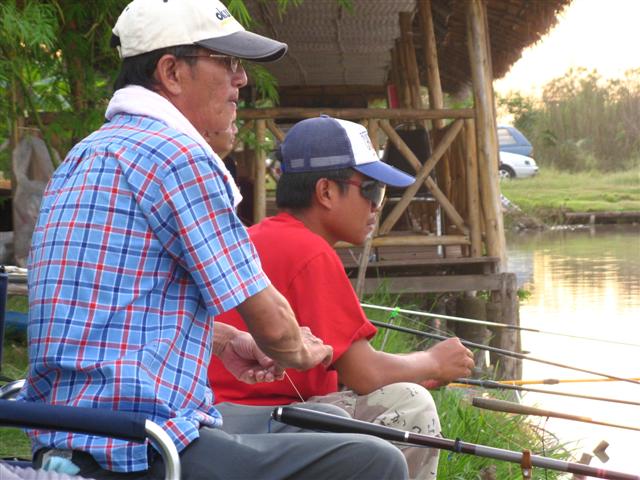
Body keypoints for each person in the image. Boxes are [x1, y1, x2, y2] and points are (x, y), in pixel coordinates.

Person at [19, 1, 408, 479]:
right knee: (374, 458)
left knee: (325, 421)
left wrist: (223, 341)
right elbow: (272, 321)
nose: (241, 80)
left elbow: (110, 315)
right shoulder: (178, 155)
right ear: (172, 72)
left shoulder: (87, 153)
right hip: (140, 448)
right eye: (227, 63)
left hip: (66, 435)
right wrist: (308, 350)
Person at [209, 115, 476, 480]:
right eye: (371, 190)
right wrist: (432, 361)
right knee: (410, 404)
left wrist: (411, 370)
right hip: (263, 421)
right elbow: (366, 374)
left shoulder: (257, 237)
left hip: (220, 420)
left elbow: (343, 371)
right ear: (325, 192)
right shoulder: (311, 252)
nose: (376, 206)